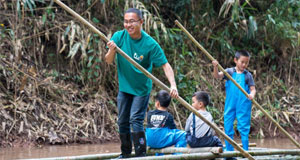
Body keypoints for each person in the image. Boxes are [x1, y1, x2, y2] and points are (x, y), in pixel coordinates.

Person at [105, 8, 178, 158]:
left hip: (141, 89)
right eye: (126, 21)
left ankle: (140, 154)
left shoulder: (150, 44)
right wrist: (112, 50)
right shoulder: (119, 36)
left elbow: (165, 65)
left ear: (141, 22)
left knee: (135, 119)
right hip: (125, 87)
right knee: (122, 121)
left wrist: (173, 85)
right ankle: (125, 153)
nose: (128, 25)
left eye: (132, 21)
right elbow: (109, 60)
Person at [212, 50, 256, 152]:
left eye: (247, 63)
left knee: (244, 128)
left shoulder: (247, 75)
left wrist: (251, 95)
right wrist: (215, 67)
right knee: (228, 126)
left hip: (243, 104)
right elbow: (217, 76)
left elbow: (253, 89)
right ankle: (229, 151)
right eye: (242, 62)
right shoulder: (229, 72)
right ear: (235, 60)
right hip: (230, 104)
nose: (244, 65)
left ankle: (245, 151)